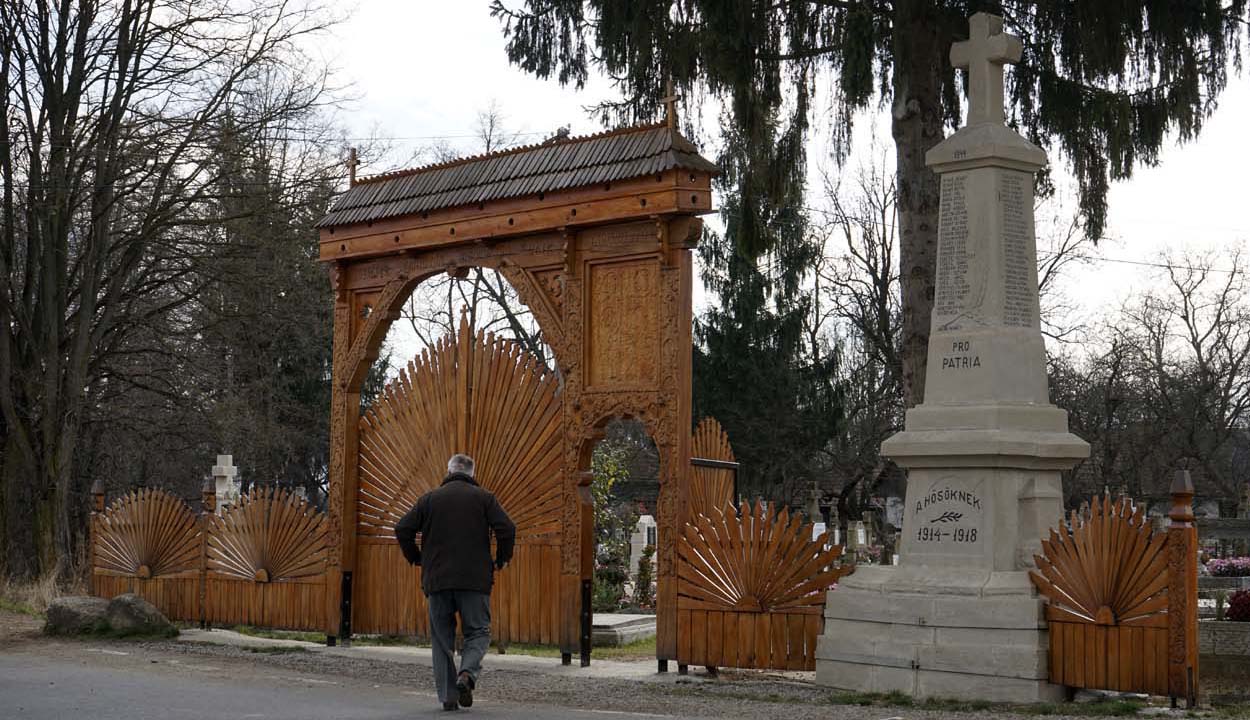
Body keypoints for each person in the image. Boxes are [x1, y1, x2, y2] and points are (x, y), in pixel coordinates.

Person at [395, 453, 515, 712]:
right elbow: (507, 528)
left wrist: (417, 557)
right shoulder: (484, 498)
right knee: (478, 632)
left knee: (441, 639)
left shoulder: (429, 499)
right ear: (472, 473)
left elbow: (402, 528)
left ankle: (449, 697)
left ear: (448, 471)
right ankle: (467, 674)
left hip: (437, 580)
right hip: (474, 581)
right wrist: (502, 558)